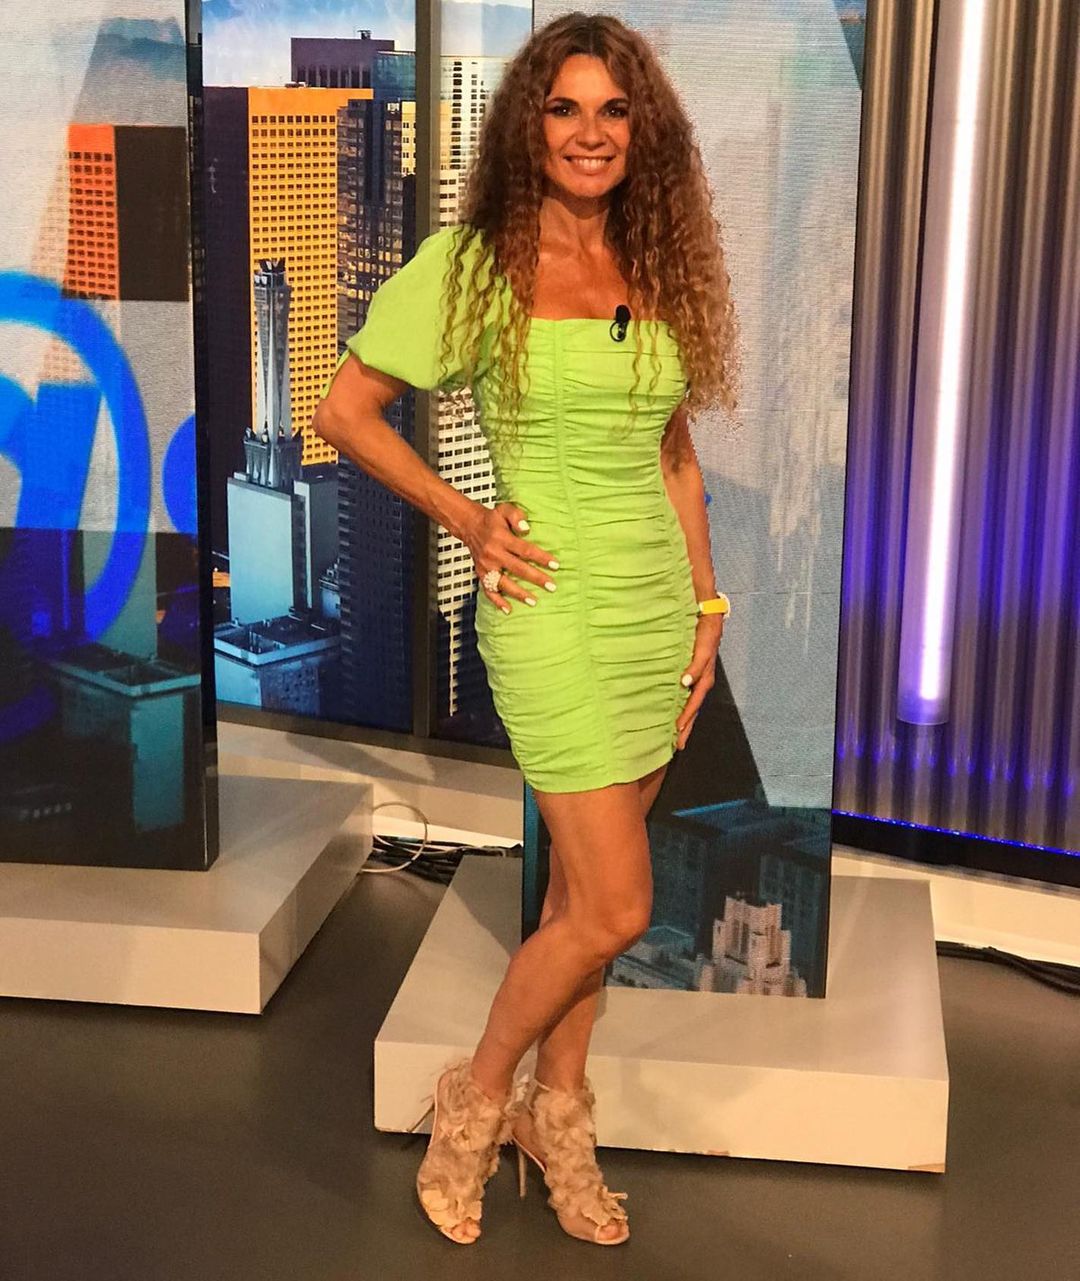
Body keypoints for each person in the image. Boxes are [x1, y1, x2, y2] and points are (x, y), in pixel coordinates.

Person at [313, 10, 739, 1250]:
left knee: (577, 904)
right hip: (548, 608)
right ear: (528, 126)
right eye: (565, 108)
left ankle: (564, 1119)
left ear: (641, 130)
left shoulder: (655, 259)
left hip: (653, 609)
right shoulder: (474, 266)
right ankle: (477, 1100)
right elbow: (345, 410)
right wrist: (467, 518)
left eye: (613, 111)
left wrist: (707, 603)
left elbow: (672, 453)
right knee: (614, 909)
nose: (590, 132)